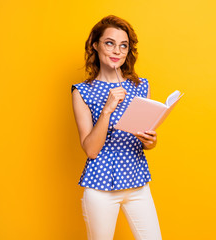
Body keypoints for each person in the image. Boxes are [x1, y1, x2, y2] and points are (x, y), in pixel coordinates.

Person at [71, 15, 162, 240]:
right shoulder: (82, 91)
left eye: (124, 45)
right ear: (96, 44)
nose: (117, 51)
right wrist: (107, 109)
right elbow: (91, 150)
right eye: (110, 43)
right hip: (100, 187)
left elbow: (144, 137)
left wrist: (151, 141)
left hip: (137, 182)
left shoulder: (141, 87)